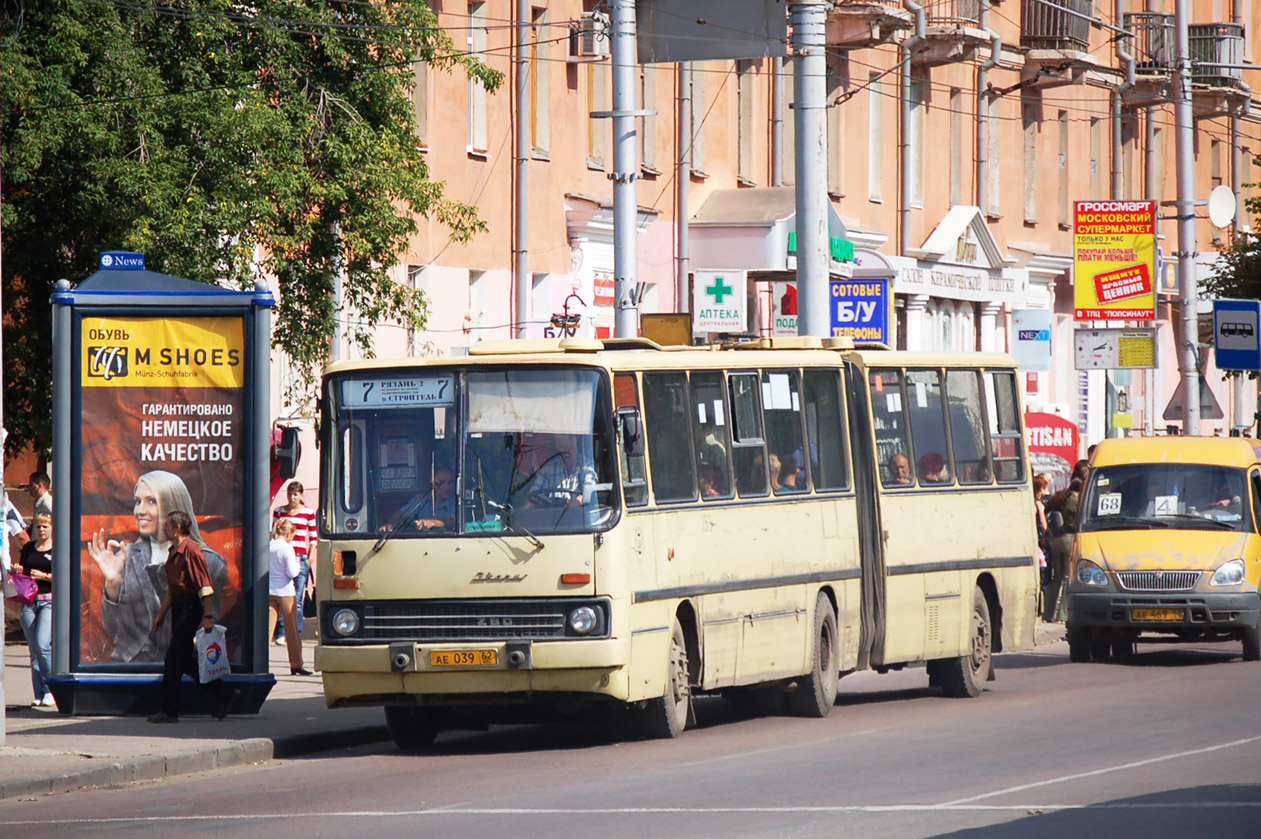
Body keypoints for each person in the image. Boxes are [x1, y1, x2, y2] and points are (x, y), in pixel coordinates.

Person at [88, 470, 229, 663]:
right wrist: (112, 582)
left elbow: (210, 620)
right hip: (132, 667)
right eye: (137, 501)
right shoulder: (125, 557)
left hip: (186, 665)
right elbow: (112, 628)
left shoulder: (211, 562)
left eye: (151, 501)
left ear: (173, 505)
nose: (140, 510)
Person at [147, 511, 239, 723]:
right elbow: (171, 589)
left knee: (173, 660)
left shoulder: (191, 551)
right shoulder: (174, 551)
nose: (165, 529)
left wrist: (208, 616)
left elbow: (205, 586)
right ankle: (225, 693)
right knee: (183, 661)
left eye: (168, 525)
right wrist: (161, 616)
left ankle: (169, 712)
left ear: (177, 528)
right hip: (179, 606)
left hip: (190, 608)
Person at [272, 481, 318, 646]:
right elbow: (273, 533)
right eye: (290, 494)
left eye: (296, 494)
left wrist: (310, 557)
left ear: (301, 496)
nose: (292, 497)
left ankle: (295, 633)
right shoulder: (279, 512)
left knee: (297, 598)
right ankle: (281, 633)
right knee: (281, 595)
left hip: (299, 557)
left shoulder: (308, 513)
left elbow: (313, 537)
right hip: (281, 556)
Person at [17, 512, 55, 707]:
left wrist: (44, 576)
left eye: (45, 526)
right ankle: (39, 692)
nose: (41, 530)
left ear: (52, 528)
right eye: (38, 526)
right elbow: (23, 571)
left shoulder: (57, 549)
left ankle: (51, 688)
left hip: (48, 601)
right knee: (33, 650)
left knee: (42, 645)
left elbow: (63, 576)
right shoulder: (28, 548)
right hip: (29, 601)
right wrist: (18, 570)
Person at [269, 520, 312, 676]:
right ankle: (296, 664)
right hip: (285, 591)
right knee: (291, 629)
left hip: (270, 590)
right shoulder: (287, 548)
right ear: (288, 533)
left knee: (267, 629)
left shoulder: (269, 546)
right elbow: (292, 573)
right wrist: (298, 563)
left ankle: (262, 662)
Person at [1032, 474, 1051, 586]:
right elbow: (1044, 525)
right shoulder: (1039, 504)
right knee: (1044, 565)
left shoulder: (1031, 502)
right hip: (1040, 540)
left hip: (1034, 538)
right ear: (1041, 489)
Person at [27, 472, 51, 541]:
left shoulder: (47, 503)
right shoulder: (39, 502)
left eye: (31, 485)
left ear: (39, 486)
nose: (29, 488)